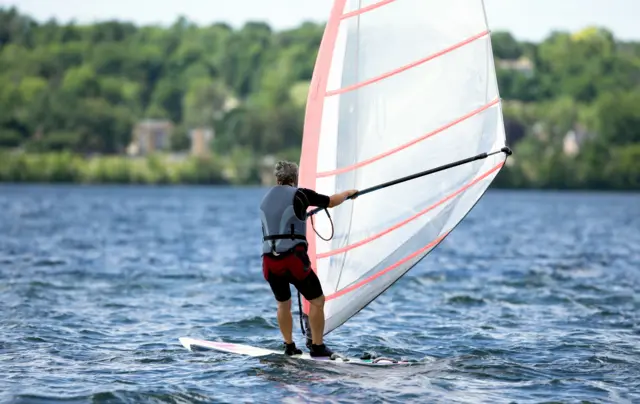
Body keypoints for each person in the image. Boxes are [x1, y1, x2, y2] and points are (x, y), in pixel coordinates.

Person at [260, 160, 357, 357]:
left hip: (269, 262)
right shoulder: (301, 194)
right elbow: (330, 201)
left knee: (283, 304)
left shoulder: (265, 198)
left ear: (277, 179)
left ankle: (289, 346)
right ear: (295, 179)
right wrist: (347, 194)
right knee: (318, 300)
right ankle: (317, 346)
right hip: (293, 261)